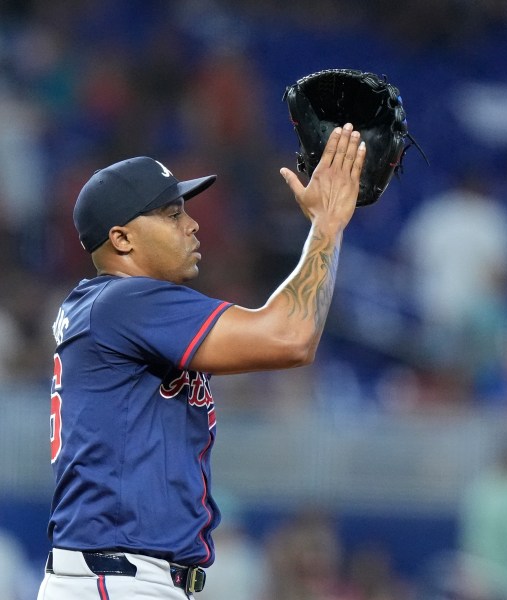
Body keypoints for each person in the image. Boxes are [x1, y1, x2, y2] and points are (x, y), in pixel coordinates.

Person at [37, 123, 366, 600]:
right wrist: (327, 226)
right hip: (118, 579)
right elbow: (290, 337)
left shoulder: (115, 308)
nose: (191, 224)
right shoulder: (126, 302)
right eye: (171, 215)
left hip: (122, 576)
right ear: (122, 239)